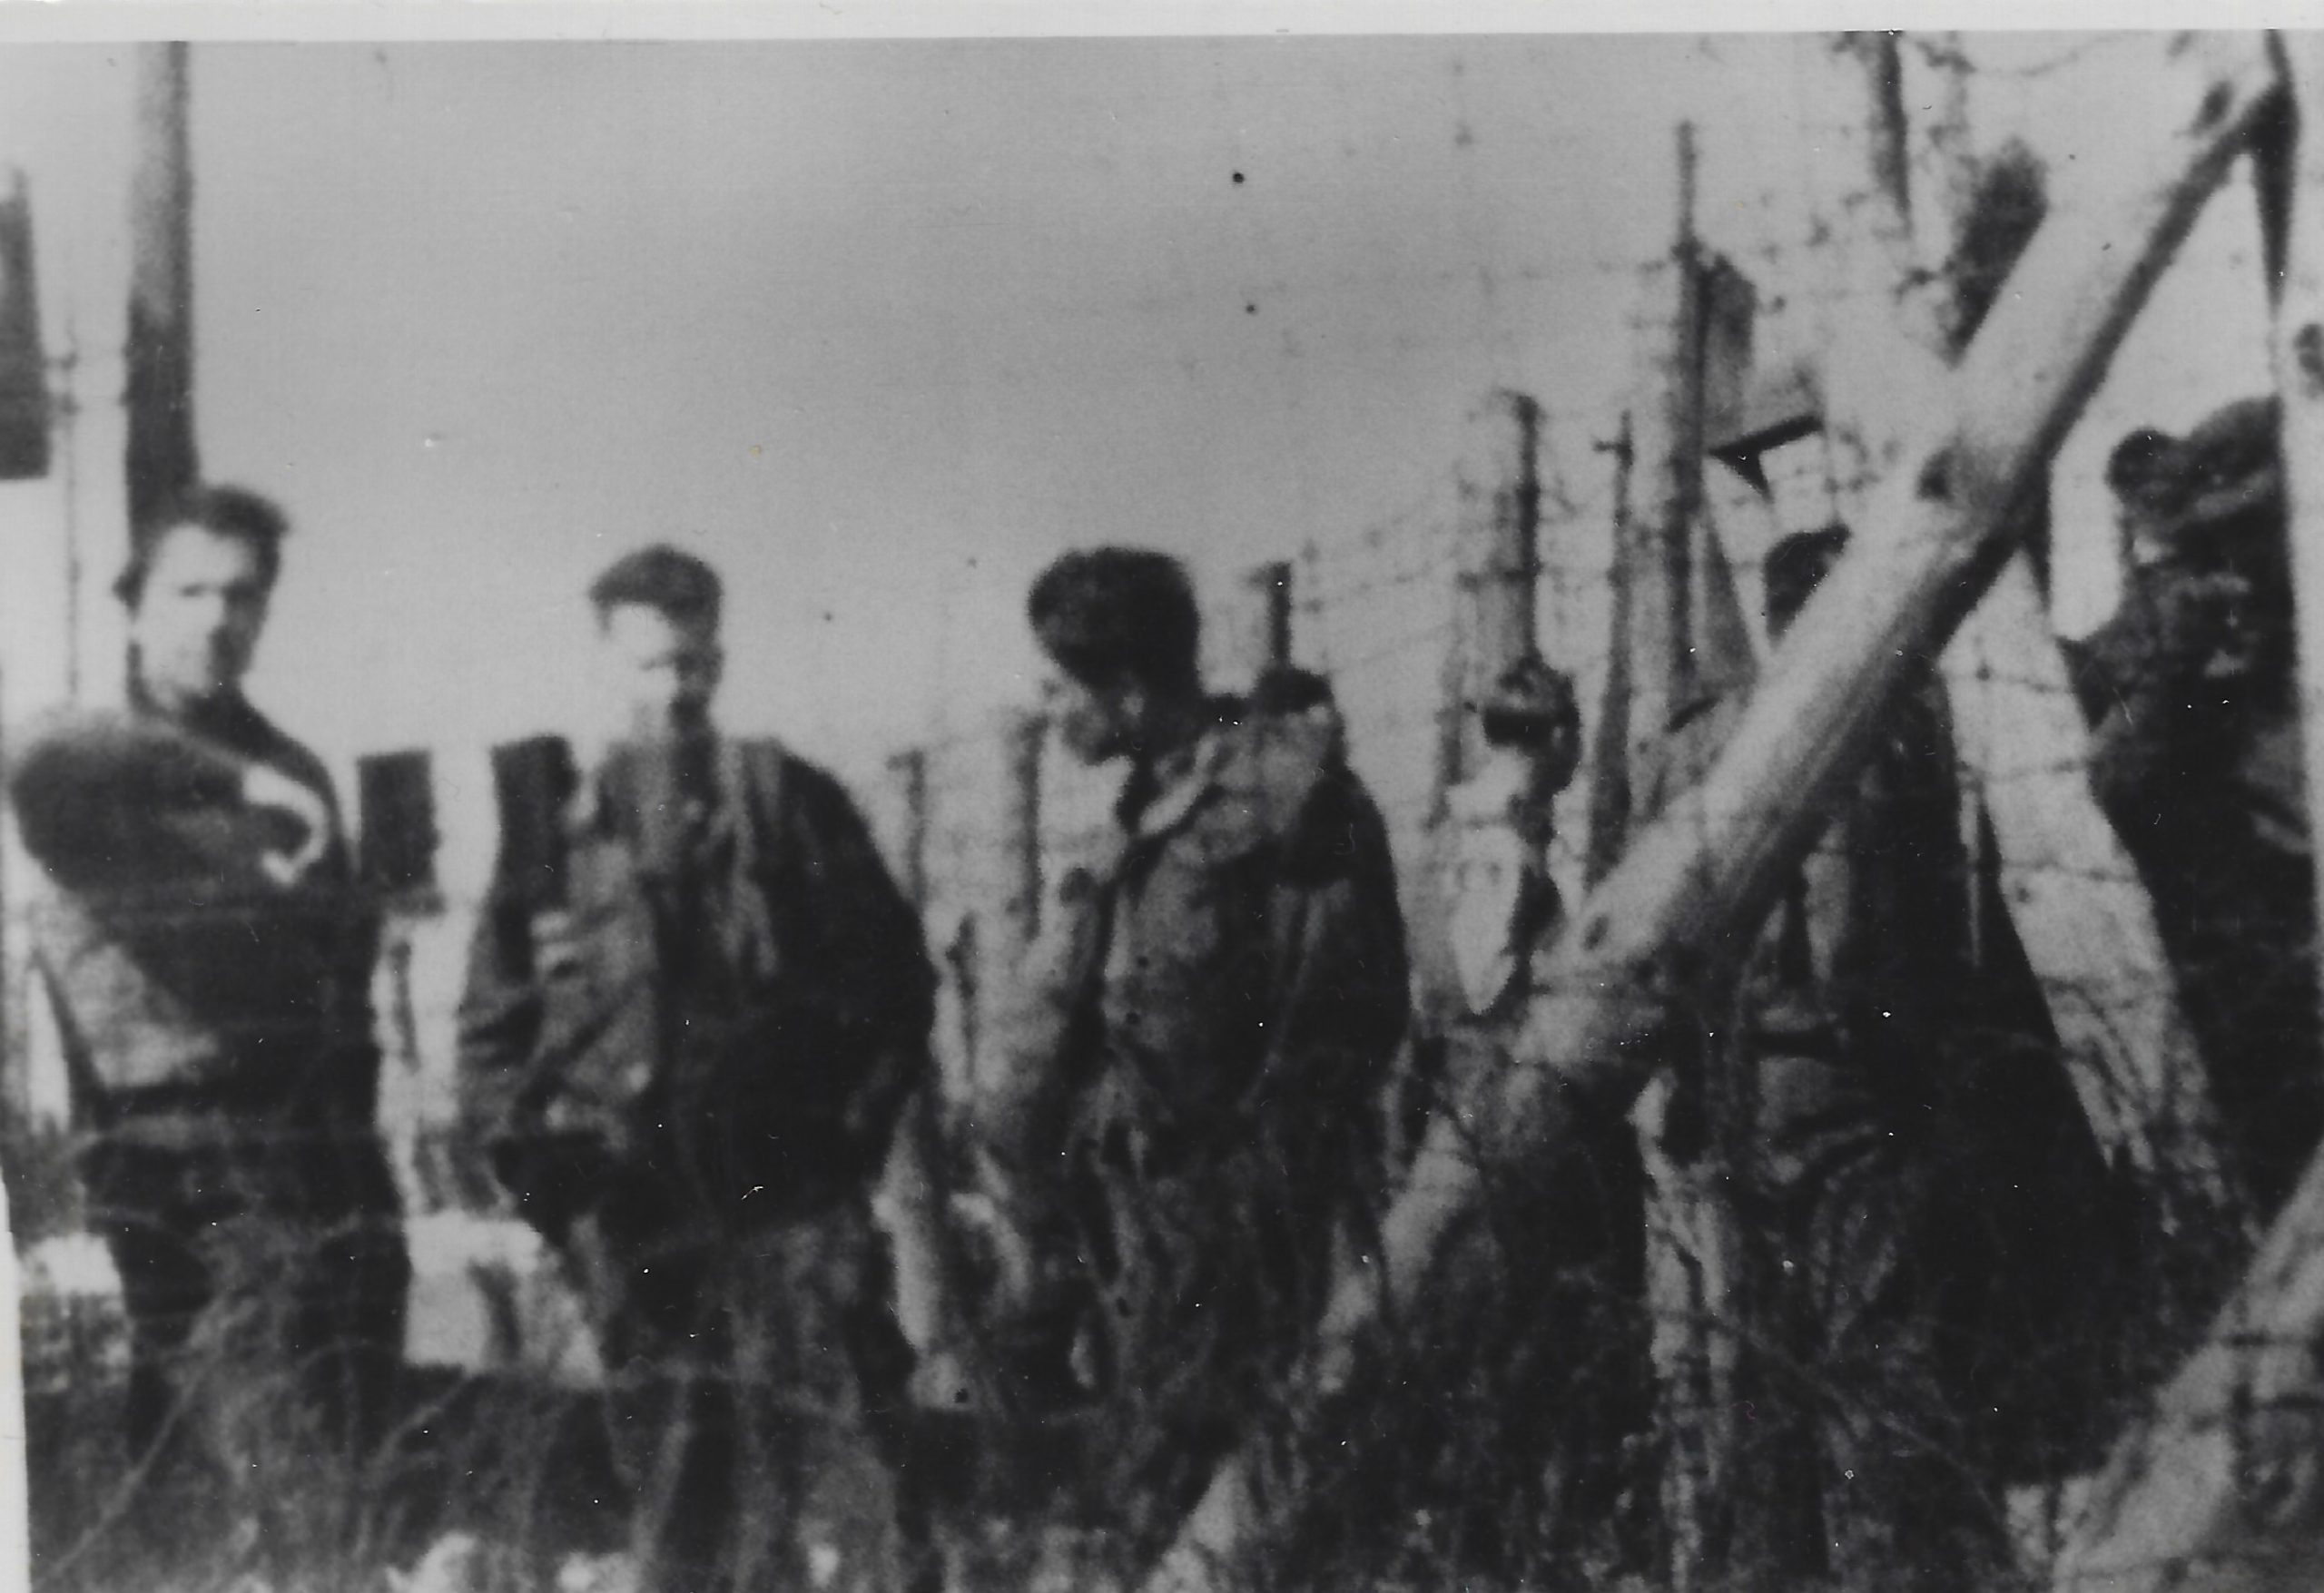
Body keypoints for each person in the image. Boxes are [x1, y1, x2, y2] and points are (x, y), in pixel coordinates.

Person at [456, 545, 939, 1593]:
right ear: (604, 666)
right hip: (632, 1202)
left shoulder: (791, 803)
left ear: (718, 659)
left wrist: (850, 1137)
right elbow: (494, 1026)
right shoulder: (550, 834)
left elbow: (895, 982)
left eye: (690, 666)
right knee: (677, 1469)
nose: (671, 693)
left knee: (849, 1451)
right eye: (647, 668)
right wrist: (550, 1188)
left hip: (791, 1192)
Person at [974, 548, 1411, 1561]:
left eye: (1058, 683)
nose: (1046, 707)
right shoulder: (1145, 813)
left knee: (1182, 1513)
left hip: (1223, 1241)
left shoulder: (1290, 808)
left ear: (1124, 691)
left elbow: (1338, 1032)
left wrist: (1238, 1229)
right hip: (1115, 1233)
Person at [11, 485, 411, 1583]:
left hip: (317, 1165)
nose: (217, 619)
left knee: (321, 1458)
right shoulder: (93, 767)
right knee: (287, 1475)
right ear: (137, 606)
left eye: (244, 596)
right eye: (189, 590)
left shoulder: (299, 774)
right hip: (179, 1163)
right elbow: (31, 755)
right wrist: (238, 779)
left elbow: (346, 989)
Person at [2069, 396, 2319, 1216]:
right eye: (2206, 542)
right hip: (2277, 1009)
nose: (2234, 565)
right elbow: (2110, 785)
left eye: (2252, 530)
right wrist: (2182, 659)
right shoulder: (2200, 672)